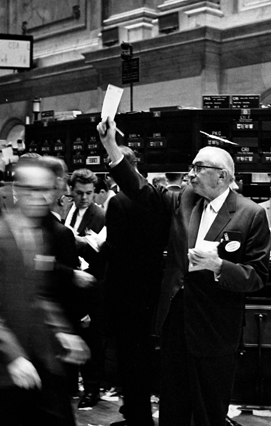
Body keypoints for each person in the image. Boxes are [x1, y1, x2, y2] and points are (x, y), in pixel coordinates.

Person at [97, 117, 270, 426]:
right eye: (191, 167)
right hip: (176, 324)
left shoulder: (251, 214)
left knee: (208, 413)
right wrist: (111, 146)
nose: (190, 175)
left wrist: (219, 266)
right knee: (172, 411)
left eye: (198, 168)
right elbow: (141, 190)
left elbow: (257, 276)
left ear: (222, 177)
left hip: (215, 328)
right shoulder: (184, 200)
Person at [0, 158, 92, 426]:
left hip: (40, 358)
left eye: (46, 189)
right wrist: (13, 356)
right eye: (31, 190)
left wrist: (62, 332)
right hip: (0, 368)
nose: (40, 197)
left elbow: (39, 295)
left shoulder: (41, 236)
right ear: (16, 190)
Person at [101, 146, 170, 426]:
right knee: (143, 357)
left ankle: (136, 417)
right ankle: (142, 416)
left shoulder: (118, 202)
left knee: (128, 360)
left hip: (124, 292)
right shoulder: (158, 199)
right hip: (151, 289)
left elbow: (114, 251)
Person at [65, 168, 107, 409]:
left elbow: (102, 254)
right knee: (72, 334)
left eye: (89, 193)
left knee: (92, 341)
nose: (84, 198)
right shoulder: (67, 210)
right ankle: (71, 384)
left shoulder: (100, 215)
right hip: (72, 284)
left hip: (92, 285)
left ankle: (92, 390)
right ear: (71, 191)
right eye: (79, 193)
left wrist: (81, 244)